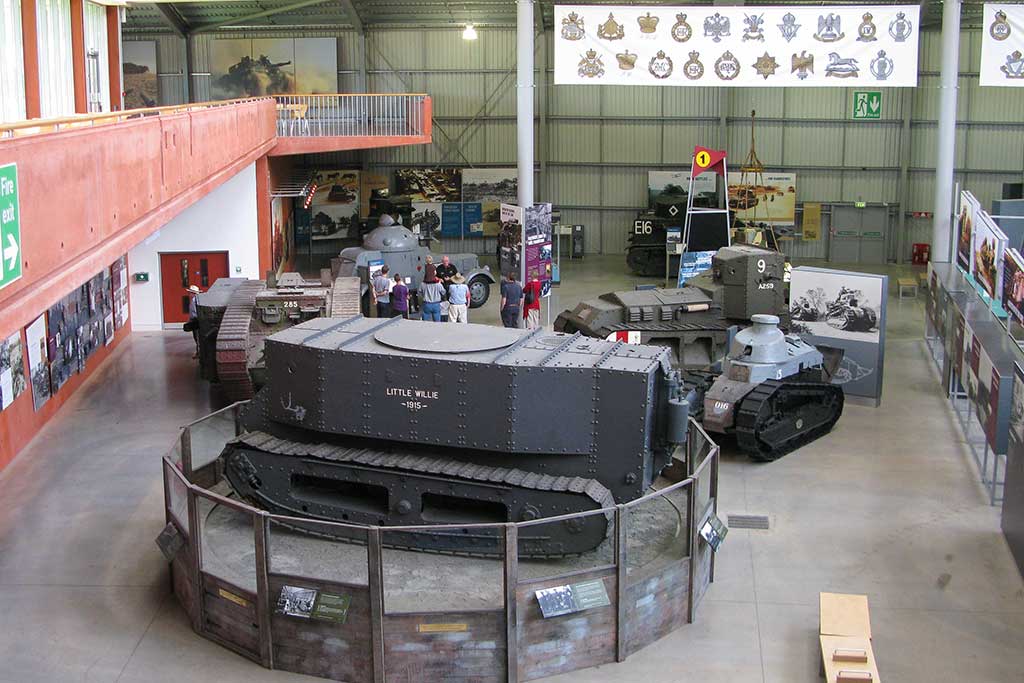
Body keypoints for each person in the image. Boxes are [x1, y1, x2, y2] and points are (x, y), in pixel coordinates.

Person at [185, 285, 202, 358]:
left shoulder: (194, 301)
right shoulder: (195, 300)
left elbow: (194, 312)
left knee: (197, 337)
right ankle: (199, 352)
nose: (189, 294)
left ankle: (199, 353)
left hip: (195, 320)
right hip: (195, 320)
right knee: (197, 336)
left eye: (190, 292)